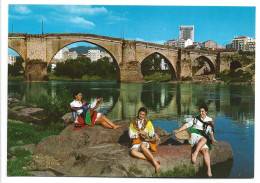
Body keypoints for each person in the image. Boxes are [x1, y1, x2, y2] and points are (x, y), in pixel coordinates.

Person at [173, 105, 217, 177]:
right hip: (194, 135)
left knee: (206, 150)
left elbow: (211, 131)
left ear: (206, 112)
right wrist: (178, 130)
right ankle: (195, 153)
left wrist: (213, 139)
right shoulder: (196, 119)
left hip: (201, 138)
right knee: (204, 139)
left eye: (202, 111)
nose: (201, 113)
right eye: (200, 111)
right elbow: (187, 125)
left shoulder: (209, 120)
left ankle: (209, 169)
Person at [128, 107, 161, 173]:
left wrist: (155, 135)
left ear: (145, 115)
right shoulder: (133, 123)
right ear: (138, 113)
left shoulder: (148, 123)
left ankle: (155, 163)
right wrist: (139, 132)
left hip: (145, 141)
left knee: (142, 146)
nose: (141, 115)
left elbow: (151, 133)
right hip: (136, 141)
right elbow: (131, 135)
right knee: (133, 152)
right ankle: (152, 159)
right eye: (140, 114)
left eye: (143, 114)